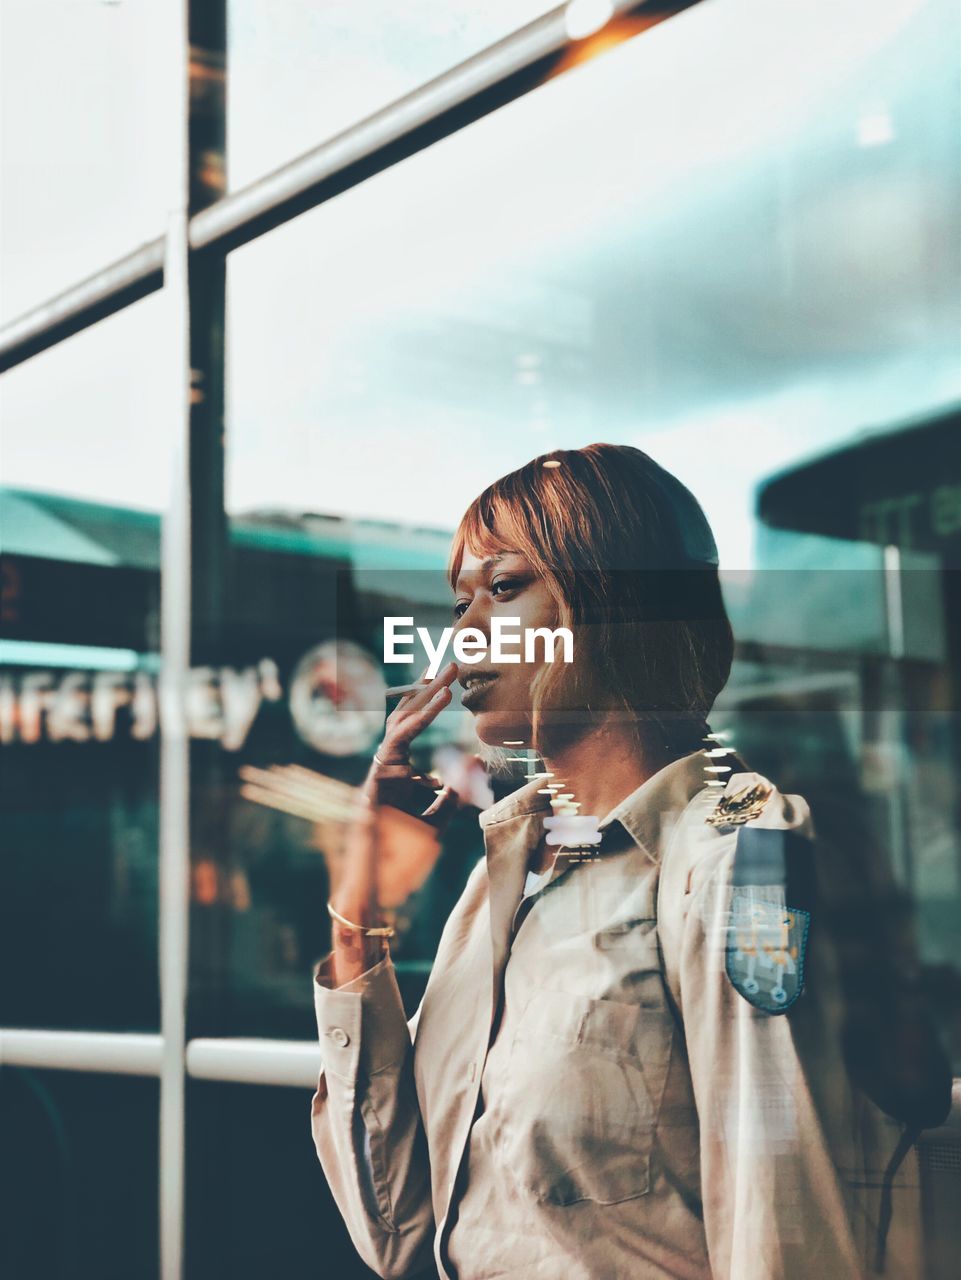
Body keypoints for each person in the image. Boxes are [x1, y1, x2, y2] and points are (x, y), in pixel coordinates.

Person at [309, 444, 926, 1279]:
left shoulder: (746, 861)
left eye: (502, 587)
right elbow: (396, 1233)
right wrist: (357, 926)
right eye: (459, 602)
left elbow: (785, 1231)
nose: (462, 632)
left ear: (612, 603)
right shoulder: (507, 872)